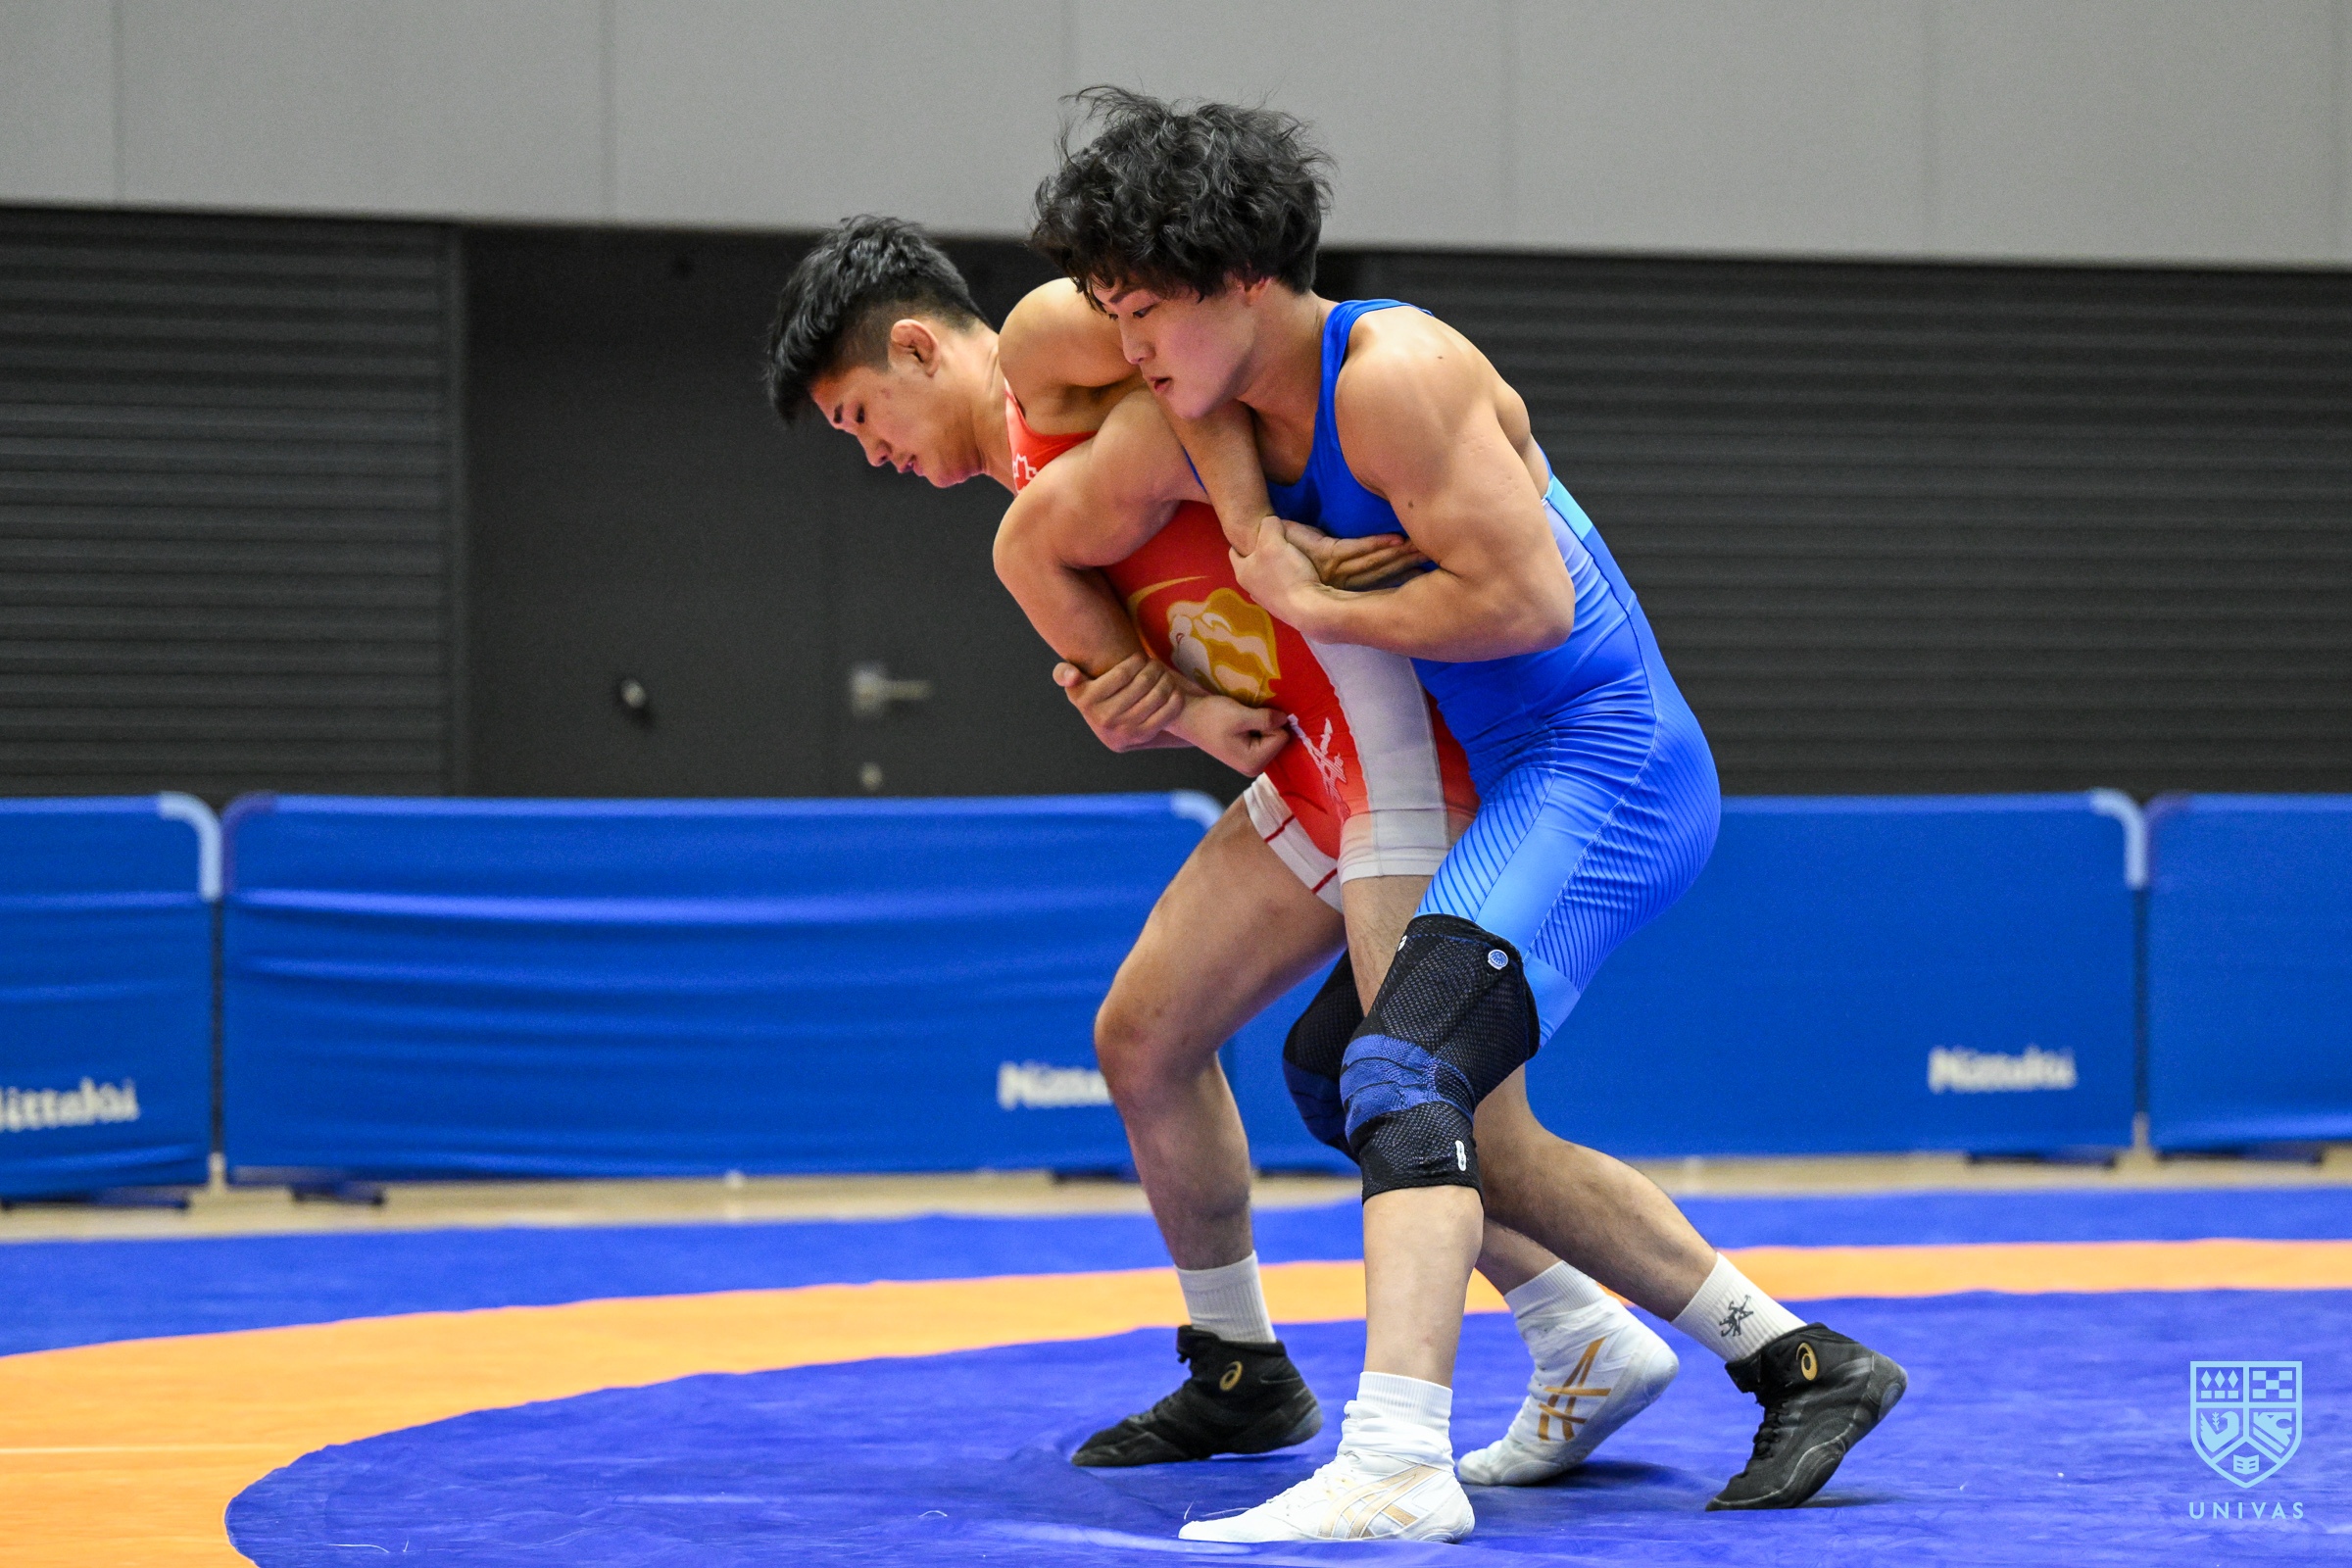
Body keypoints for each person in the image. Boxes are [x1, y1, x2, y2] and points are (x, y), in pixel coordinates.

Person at [1032, 92, 1909, 1543]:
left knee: (1402, 1069)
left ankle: (1395, 1459)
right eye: (1111, 314)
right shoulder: (1228, 390)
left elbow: (1532, 605)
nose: (1124, 351)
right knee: (1351, 1080)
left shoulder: (1398, 375)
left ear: (1239, 282)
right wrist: (1234, 555)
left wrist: (1306, 595)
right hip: (1516, 777)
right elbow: (1078, 373)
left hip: (1606, 767)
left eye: (1141, 315)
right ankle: (1799, 1363)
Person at [761, 217, 1689, 1483]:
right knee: (1145, 1038)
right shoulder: (1033, 509)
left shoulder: (1049, 343)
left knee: (1435, 1102)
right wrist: (1162, 710)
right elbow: (1181, 637)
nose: (872, 453)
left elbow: (1208, 380)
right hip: (1305, 763)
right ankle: (1241, 1367)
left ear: (919, 348)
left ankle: (1738, 1344)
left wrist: (1253, 530)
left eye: (862, 415)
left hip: (1391, 744)